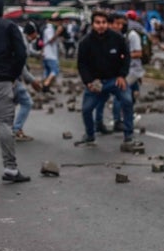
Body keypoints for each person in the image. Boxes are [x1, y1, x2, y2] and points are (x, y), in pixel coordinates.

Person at [0, 0, 32, 183]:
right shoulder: (9, 26)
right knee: (4, 124)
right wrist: (12, 75)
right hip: (2, 82)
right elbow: (21, 54)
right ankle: (10, 169)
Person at [74, 10, 139, 150]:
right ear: (92, 24)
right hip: (96, 82)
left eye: (103, 22)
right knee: (86, 109)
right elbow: (81, 64)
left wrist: (122, 75)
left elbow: (126, 57)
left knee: (127, 101)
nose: (101, 25)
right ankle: (90, 135)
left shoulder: (117, 38)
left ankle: (129, 135)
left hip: (115, 80)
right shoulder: (85, 42)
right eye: (98, 23)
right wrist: (88, 82)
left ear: (107, 24)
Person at [14, 23, 44, 142]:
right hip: (14, 77)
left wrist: (38, 54)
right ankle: (16, 129)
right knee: (27, 102)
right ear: (33, 33)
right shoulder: (22, 42)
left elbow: (28, 52)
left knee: (13, 101)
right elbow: (21, 66)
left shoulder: (20, 39)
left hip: (8, 76)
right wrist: (33, 81)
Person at [40, 12, 64, 92]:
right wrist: (58, 33)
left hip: (47, 53)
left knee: (47, 71)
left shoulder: (49, 28)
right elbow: (50, 40)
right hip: (50, 54)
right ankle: (46, 85)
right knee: (55, 70)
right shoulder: (49, 29)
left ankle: (45, 87)